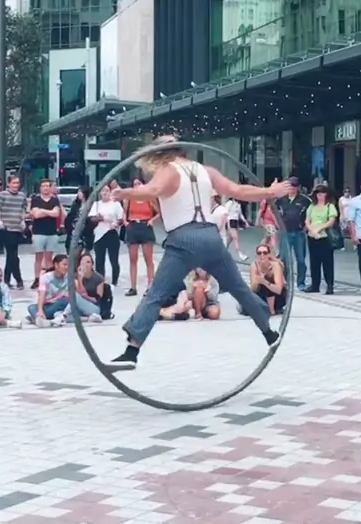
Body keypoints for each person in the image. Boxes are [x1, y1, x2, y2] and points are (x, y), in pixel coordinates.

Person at [109, 135, 289, 368]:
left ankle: (132, 351)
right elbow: (238, 190)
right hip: (211, 238)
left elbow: (153, 190)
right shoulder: (206, 170)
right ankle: (269, 333)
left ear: (161, 153)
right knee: (239, 289)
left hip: (184, 240)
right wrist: (269, 191)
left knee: (156, 295)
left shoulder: (168, 170)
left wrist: (124, 194)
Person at [124, 178, 159, 297]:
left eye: (139, 183)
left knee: (148, 258)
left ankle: (150, 286)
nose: (137, 186)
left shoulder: (149, 198)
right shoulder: (129, 198)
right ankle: (133, 287)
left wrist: (152, 220)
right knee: (133, 259)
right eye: (135, 184)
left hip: (145, 226)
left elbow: (159, 212)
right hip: (133, 226)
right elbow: (125, 212)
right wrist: (125, 222)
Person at [277, 177, 311, 291]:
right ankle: (284, 281)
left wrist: (306, 227)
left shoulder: (305, 200)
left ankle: (301, 282)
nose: (292, 188)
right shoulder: (281, 199)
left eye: (294, 186)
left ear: (298, 187)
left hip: (299, 233)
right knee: (283, 258)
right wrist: (277, 224)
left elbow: (311, 213)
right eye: (290, 186)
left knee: (301, 259)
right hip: (285, 232)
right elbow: (272, 210)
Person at [0, 176, 28, 289]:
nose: (16, 185)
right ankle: (17, 280)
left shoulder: (22, 196)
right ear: (8, 184)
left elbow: (24, 209)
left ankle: (8, 280)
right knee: (12, 254)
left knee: (12, 256)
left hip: (17, 228)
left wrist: (23, 220)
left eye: (17, 183)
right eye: (13, 183)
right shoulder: (2, 195)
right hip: (6, 228)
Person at [89, 185, 124, 286]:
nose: (105, 193)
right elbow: (92, 218)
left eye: (107, 190)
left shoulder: (115, 204)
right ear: (100, 193)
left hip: (111, 232)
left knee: (114, 259)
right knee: (99, 260)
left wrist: (116, 223)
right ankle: (100, 282)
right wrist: (102, 218)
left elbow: (121, 219)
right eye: (103, 191)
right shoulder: (96, 204)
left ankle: (114, 282)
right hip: (99, 234)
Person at [305, 184, 337, 295]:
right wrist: (313, 231)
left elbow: (331, 221)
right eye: (318, 193)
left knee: (327, 262)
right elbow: (307, 221)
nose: (320, 195)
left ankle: (329, 285)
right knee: (314, 262)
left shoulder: (330, 206)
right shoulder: (312, 206)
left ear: (326, 194)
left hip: (325, 237)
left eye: (322, 193)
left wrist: (319, 229)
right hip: (312, 237)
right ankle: (315, 285)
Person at [30, 179, 61, 289]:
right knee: (38, 257)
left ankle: (49, 279)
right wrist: (49, 212)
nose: (45, 188)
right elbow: (36, 215)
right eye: (43, 186)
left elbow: (56, 213)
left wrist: (42, 211)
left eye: (47, 186)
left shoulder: (55, 200)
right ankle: (37, 279)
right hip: (38, 232)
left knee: (49, 258)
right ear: (40, 188)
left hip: (51, 232)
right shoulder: (35, 200)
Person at [27, 253, 70, 327]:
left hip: (61, 303)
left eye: (68, 265)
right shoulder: (46, 277)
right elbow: (41, 294)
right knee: (31, 307)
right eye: (64, 264)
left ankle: (38, 318)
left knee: (65, 301)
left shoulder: (69, 277)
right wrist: (40, 310)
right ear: (56, 265)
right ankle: (42, 319)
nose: (66, 267)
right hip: (48, 305)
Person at [250, 245, 286, 315]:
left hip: (277, 297)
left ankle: (272, 310)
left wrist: (265, 282)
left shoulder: (275, 265)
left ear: (269, 254)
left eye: (265, 253)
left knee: (268, 280)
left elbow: (279, 290)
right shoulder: (254, 265)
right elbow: (253, 289)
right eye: (259, 253)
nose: (262, 255)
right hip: (261, 297)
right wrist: (257, 281)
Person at [64, 186, 94, 254]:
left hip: (86, 234)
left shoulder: (91, 205)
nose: (78, 193)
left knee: (85, 255)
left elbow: (91, 222)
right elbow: (69, 218)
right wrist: (71, 229)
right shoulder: (75, 204)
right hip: (73, 233)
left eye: (80, 192)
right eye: (78, 192)